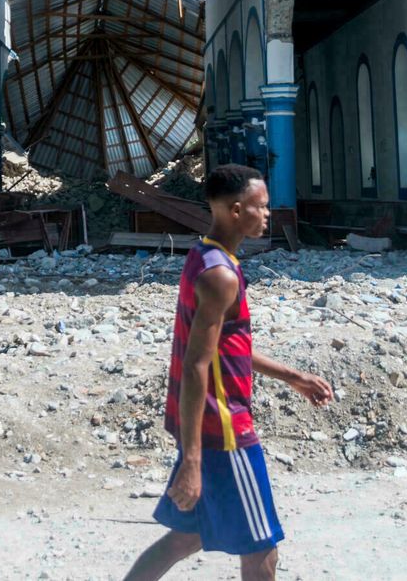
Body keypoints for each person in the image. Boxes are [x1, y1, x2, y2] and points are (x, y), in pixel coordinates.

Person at [124, 164, 333, 581]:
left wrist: (293, 376)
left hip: (202, 427)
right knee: (261, 549)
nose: (268, 214)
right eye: (262, 206)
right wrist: (194, 461)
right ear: (237, 211)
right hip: (224, 431)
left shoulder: (205, 256)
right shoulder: (221, 276)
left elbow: (226, 349)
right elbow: (196, 364)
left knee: (185, 539)